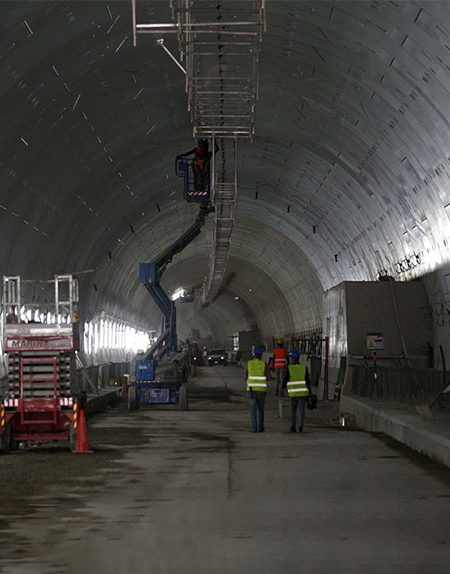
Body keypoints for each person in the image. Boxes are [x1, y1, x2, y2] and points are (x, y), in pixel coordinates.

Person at [280, 349, 312, 433]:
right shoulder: (304, 367)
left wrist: (282, 389)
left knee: (293, 410)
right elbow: (307, 381)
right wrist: (310, 391)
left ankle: (292, 426)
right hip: (302, 393)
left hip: (293, 393)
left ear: (292, 359)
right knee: (301, 410)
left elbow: (286, 379)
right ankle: (300, 427)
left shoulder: (290, 368)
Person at [244, 346, 271, 433]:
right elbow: (269, 377)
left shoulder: (249, 363)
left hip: (251, 391)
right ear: (261, 355)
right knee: (260, 409)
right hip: (261, 391)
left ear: (254, 355)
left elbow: (245, 377)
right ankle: (260, 427)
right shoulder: (264, 364)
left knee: (253, 410)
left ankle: (254, 428)